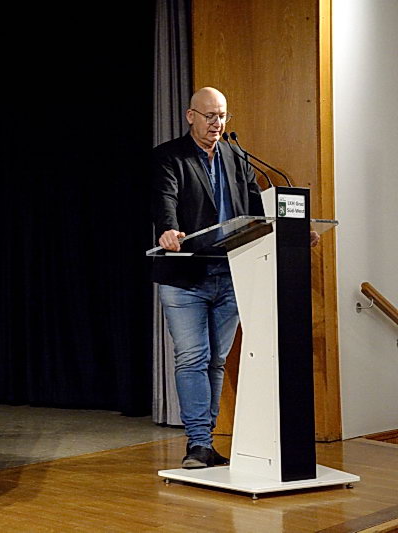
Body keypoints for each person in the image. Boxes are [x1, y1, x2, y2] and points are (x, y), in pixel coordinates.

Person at [151, 87, 265, 469]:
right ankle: (197, 442)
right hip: (185, 275)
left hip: (231, 273)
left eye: (222, 116)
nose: (217, 123)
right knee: (192, 357)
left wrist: (292, 231)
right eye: (210, 116)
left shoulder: (237, 156)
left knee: (216, 360)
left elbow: (256, 209)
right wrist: (168, 230)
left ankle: (206, 443)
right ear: (191, 116)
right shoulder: (170, 156)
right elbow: (165, 199)